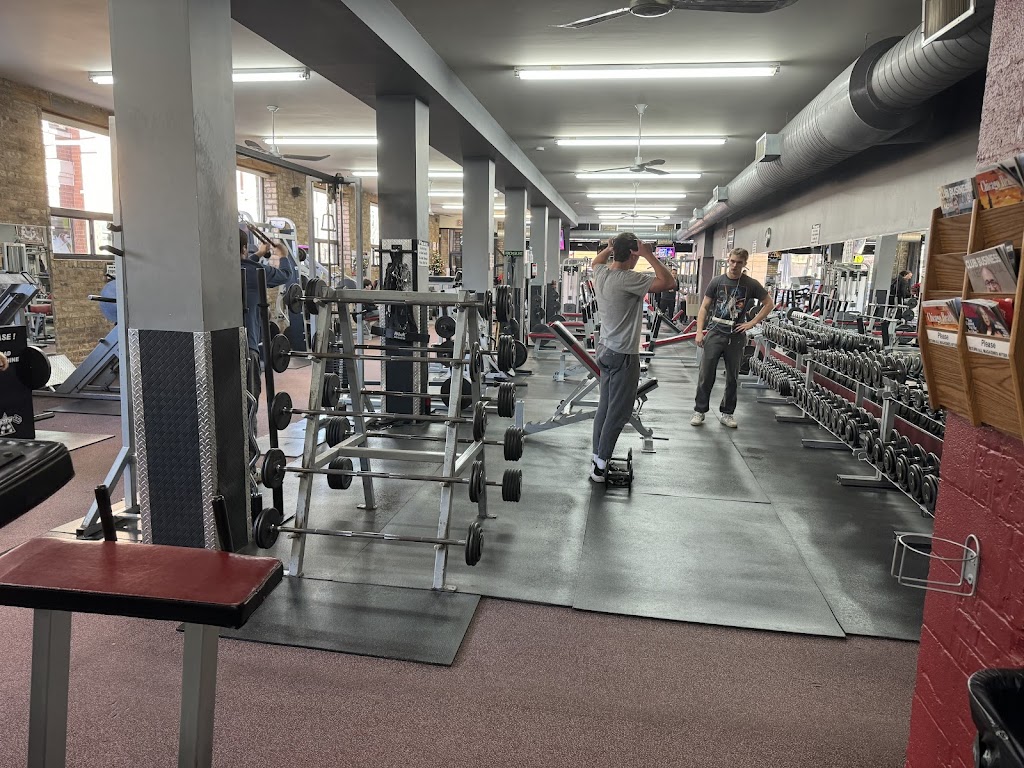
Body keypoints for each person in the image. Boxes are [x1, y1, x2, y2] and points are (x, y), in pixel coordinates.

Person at [589, 233, 675, 482]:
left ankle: (597, 459)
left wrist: (609, 249)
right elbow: (668, 282)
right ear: (633, 255)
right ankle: (600, 467)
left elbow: (596, 261)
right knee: (618, 413)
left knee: (605, 408)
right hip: (623, 355)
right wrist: (649, 254)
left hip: (605, 350)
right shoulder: (629, 278)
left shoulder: (601, 273)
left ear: (615, 251)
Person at [691, 248, 775, 429]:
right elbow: (704, 307)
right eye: (733, 261)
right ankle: (700, 411)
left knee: (732, 378)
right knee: (706, 374)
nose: (735, 265)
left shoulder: (750, 284)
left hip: (736, 336)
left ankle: (727, 413)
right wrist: (699, 331)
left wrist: (752, 322)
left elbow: (769, 304)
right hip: (715, 332)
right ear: (728, 260)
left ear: (745, 263)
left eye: (739, 262)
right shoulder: (717, 281)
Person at [240, 227, 295, 355]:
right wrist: (283, 256)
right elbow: (286, 275)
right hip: (248, 346)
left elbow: (243, 264)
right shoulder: (255, 271)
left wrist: (259, 253)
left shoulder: (219, 270)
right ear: (244, 248)